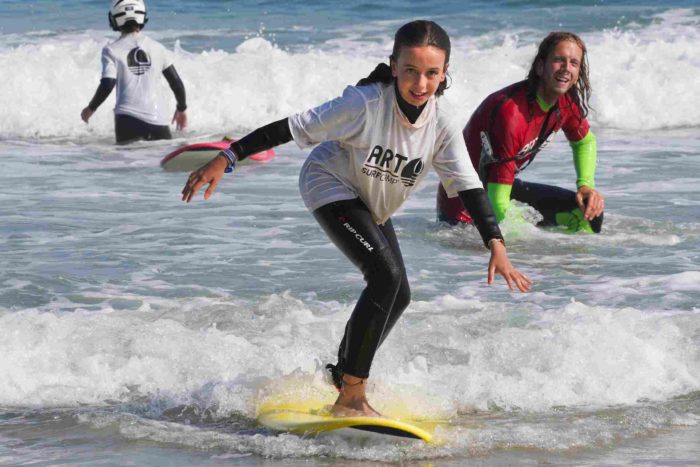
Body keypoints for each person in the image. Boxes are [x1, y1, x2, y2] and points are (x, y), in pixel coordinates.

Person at [181, 20, 532, 417]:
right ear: (394, 66)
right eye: (411, 71)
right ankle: (351, 395)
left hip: (370, 201)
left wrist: (496, 245)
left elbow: (470, 188)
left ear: (444, 74)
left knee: (399, 294)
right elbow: (291, 127)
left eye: (432, 73)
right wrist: (227, 156)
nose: (421, 83)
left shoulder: (441, 124)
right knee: (386, 278)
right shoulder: (364, 104)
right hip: (329, 183)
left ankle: (342, 373)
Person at [437, 32, 605, 233]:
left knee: (587, 213)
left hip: (499, 191)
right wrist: (538, 243)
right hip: (463, 211)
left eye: (574, 63)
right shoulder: (512, 113)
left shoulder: (565, 102)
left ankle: (575, 261)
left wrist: (585, 185)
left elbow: (584, 142)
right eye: (559, 60)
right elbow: (498, 205)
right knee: (525, 247)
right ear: (541, 67)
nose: (566, 69)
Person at [80, 0, 188, 144]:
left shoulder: (111, 50)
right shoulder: (158, 48)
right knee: (161, 162)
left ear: (114, 19)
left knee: (129, 164)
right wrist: (181, 108)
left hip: (127, 121)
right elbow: (176, 83)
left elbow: (108, 84)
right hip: (158, 122)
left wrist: (90, 108)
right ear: (142, 17)